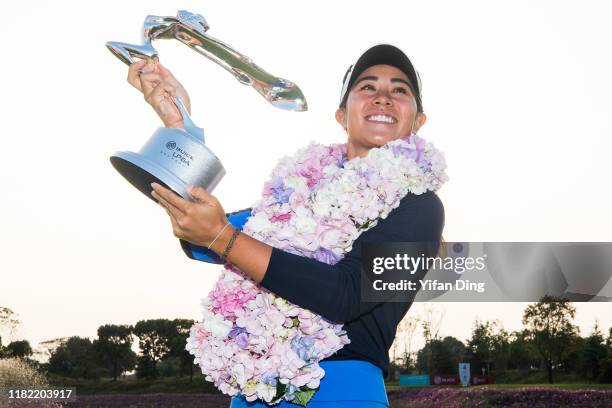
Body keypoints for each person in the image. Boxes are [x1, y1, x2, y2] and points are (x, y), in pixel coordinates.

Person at [127, 44, 445, 407]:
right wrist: (180, 127)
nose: (383, 97)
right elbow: (202, 231)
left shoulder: (422, 207)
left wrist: (221, 236)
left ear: (418, 121)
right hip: (254, 392)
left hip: (343, 391)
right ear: (342, 116)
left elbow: (345, 296)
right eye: (368, 87)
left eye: (400, 90)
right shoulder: (298, 194)